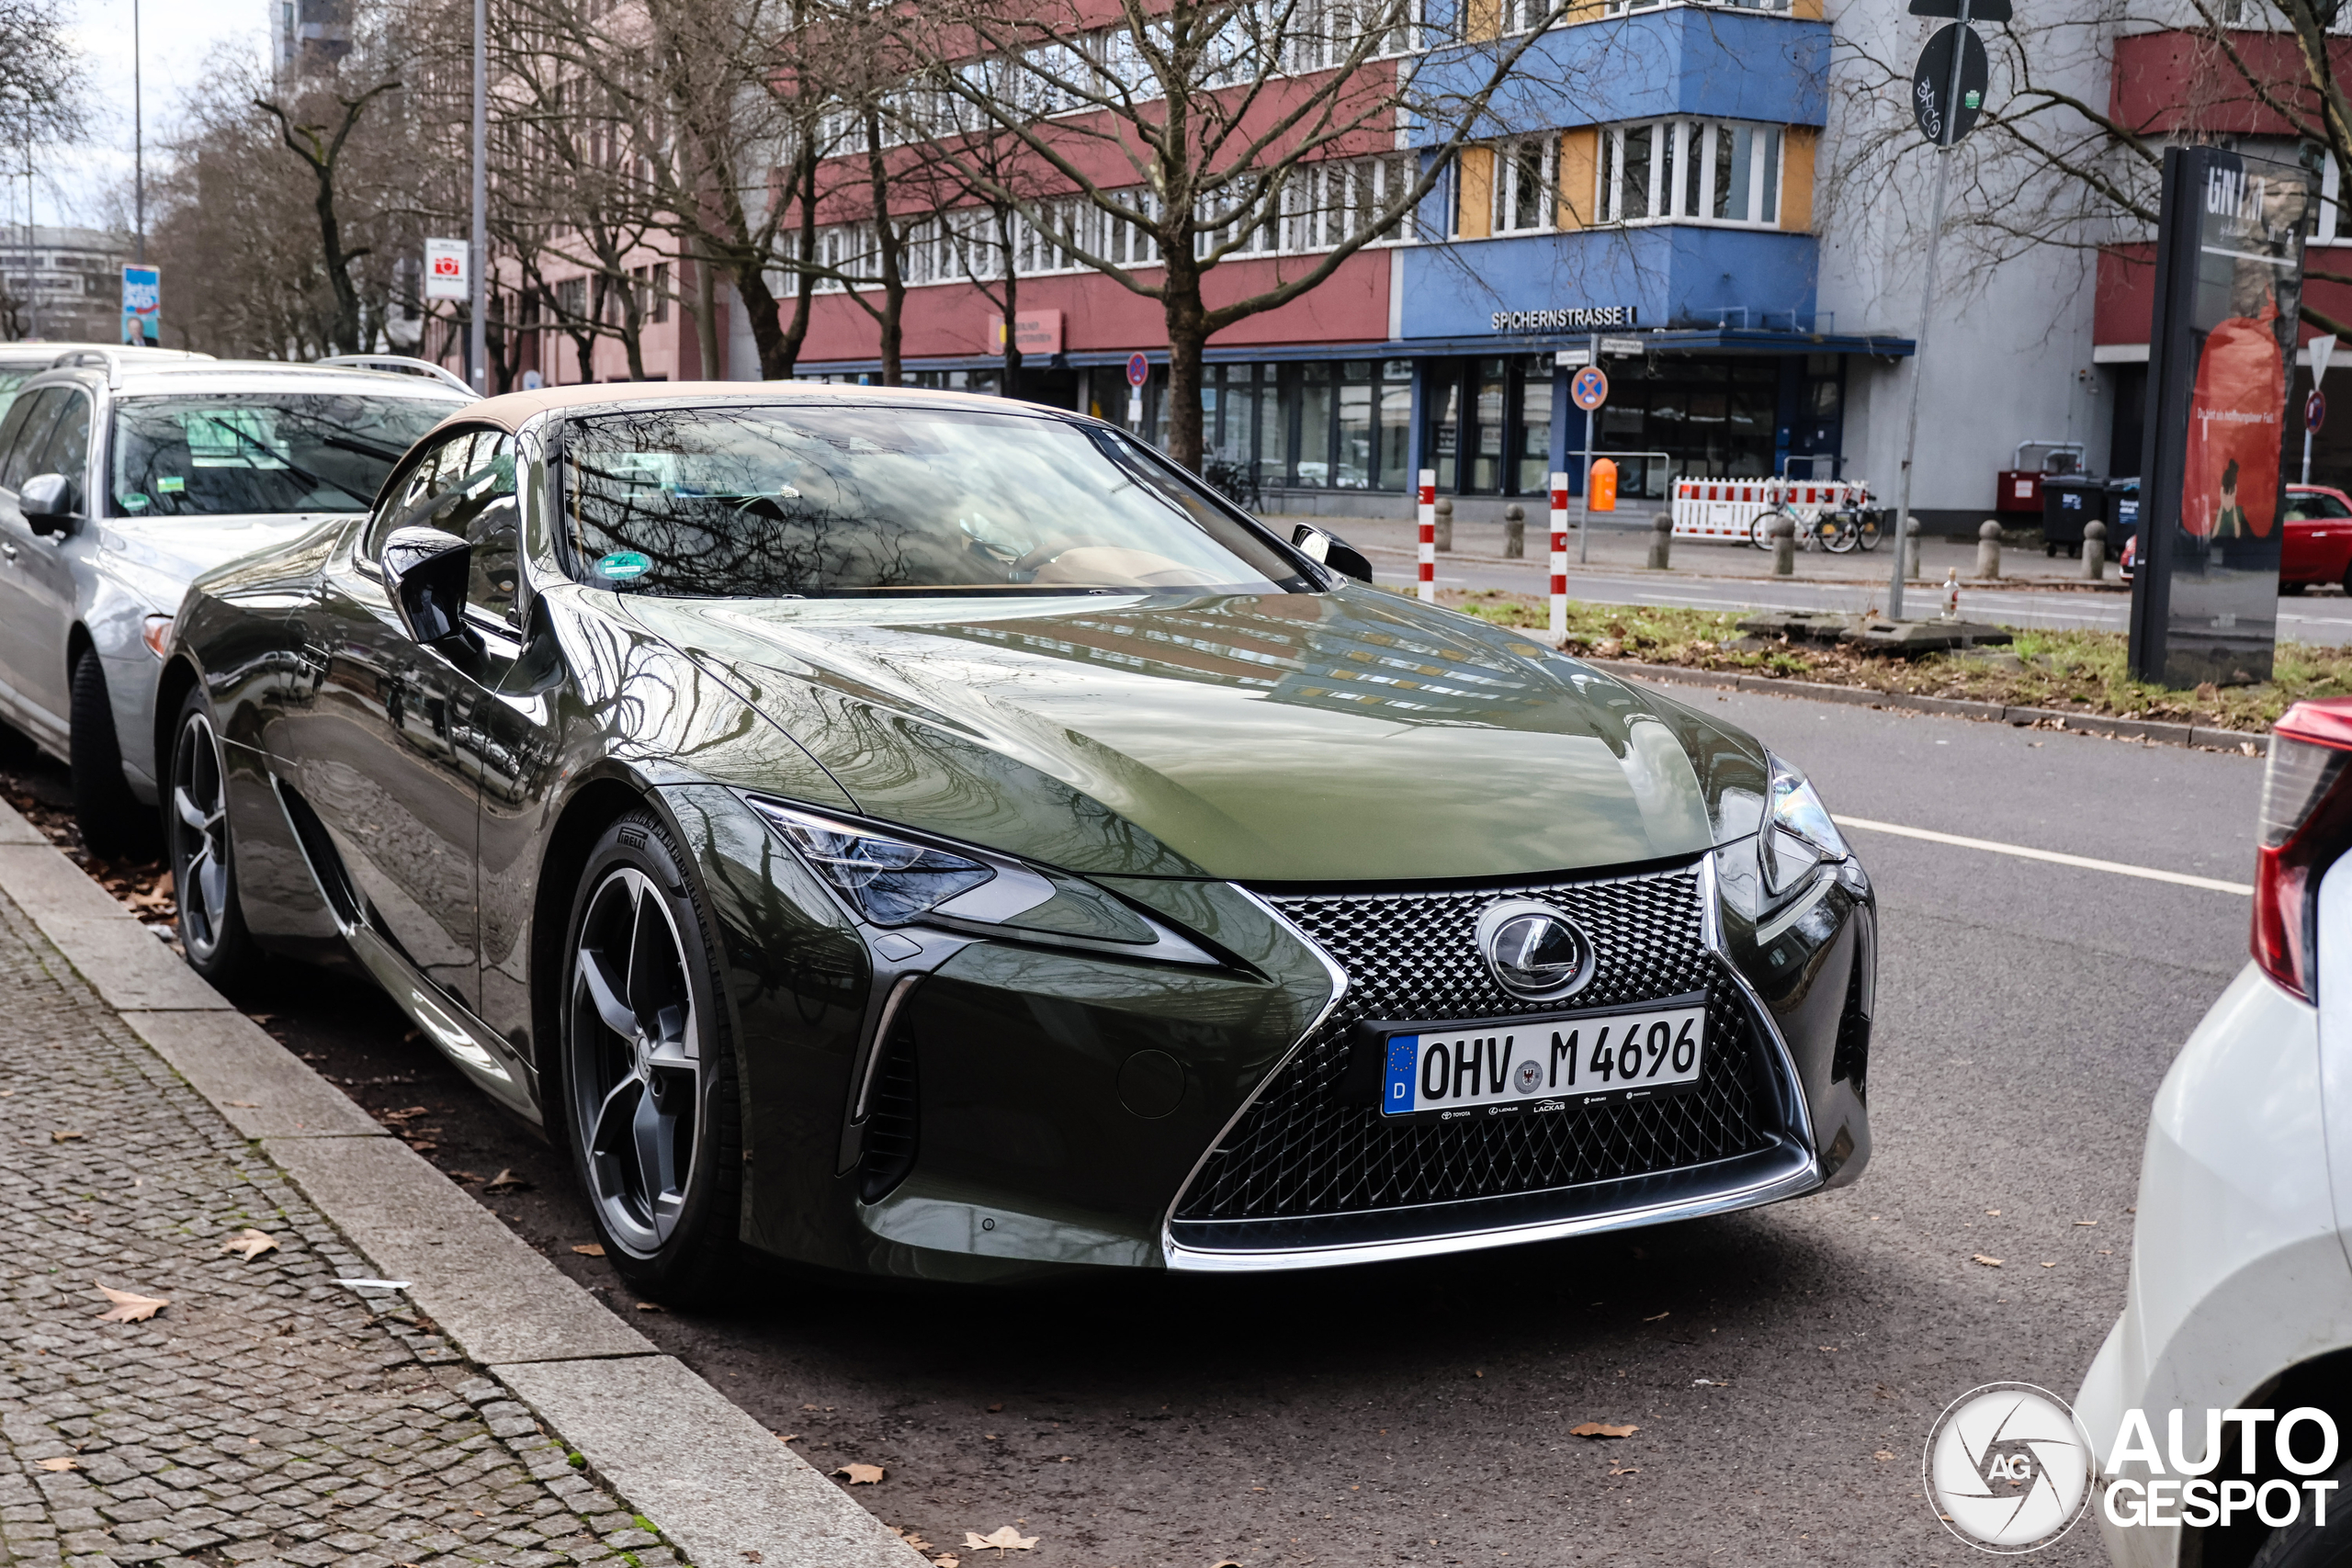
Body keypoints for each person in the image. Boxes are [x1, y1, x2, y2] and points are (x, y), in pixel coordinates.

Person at [2214, 457, 2249, 538]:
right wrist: (2222, 508)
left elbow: (2238, 535)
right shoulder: (2217, 511)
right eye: (2225, 494)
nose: (2228, 497)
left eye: (2231, 493)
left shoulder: (2239, 511)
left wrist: (2233, 506)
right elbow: (2213, 536)